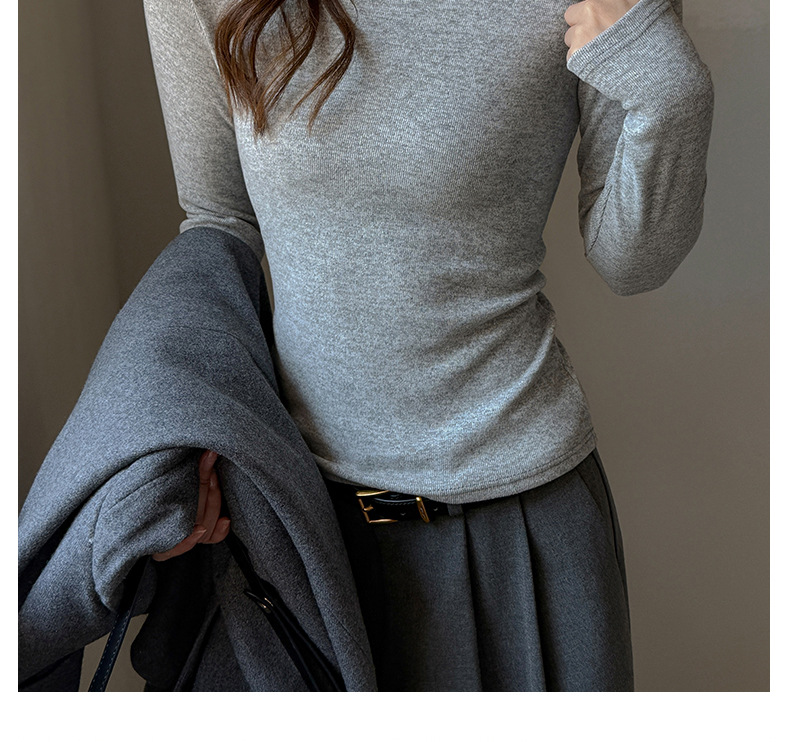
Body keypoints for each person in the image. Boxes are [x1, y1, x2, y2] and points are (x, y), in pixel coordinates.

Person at [143, 0, 714, 691]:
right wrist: (175, 433)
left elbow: (632, 262)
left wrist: (670, 87)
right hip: (304, 529)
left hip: (523, 528)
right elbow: (218, 222)